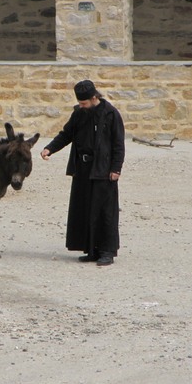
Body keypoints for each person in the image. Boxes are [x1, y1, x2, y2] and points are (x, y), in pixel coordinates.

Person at [40, 79, 125, 266]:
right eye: (80, 103)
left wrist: (116, 168)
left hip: (103, 170)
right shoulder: (79, 114)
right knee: (85, 209)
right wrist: (50, 149)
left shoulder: (111, 114)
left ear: (94, 97)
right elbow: (66, 134)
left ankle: (106, 251)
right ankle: (91, 250)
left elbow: (118, 144)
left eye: (84, 103)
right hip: (83, 168)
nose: (81, 106)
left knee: (104, 211)